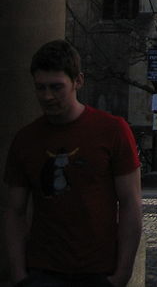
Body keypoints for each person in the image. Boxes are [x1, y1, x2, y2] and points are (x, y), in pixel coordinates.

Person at [4, 39, 142, 287]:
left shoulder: (112, 131)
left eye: (56, 88)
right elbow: (14, 210)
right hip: (42, 271)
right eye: (41, 88)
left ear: (78, 81)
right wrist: (19, 276)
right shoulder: (25, 139)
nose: (47, 96)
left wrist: (121, 274)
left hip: (98, 271)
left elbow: (131, 203)